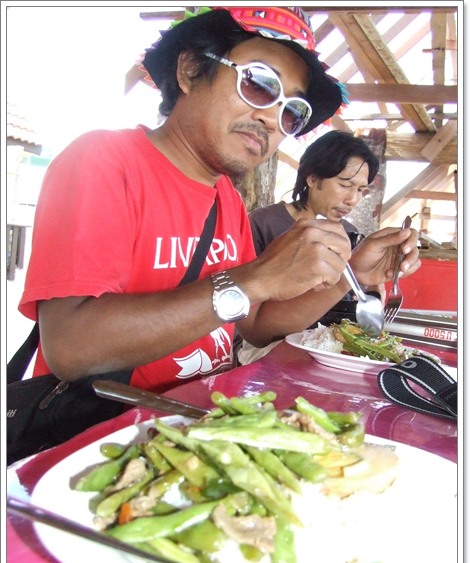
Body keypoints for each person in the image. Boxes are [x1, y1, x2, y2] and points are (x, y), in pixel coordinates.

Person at [19, 6, 420, 406]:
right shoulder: (104, 160)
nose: (272, 119)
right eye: (259, 84)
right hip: (107, 432)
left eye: (292, 112)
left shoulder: (225, 198)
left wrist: (349, 276)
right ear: (191, 70)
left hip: (194, 424)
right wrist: (253, 278)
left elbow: (255, 325)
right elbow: (71, 347)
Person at [236, 129, 384, 364]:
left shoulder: (349, 234)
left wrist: (374, 289)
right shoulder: (264, 223)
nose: (352, 200)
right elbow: (245, 313)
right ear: (312, 178)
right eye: (345, 185)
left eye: (360, 190)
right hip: (267, 350)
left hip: (328, 350)